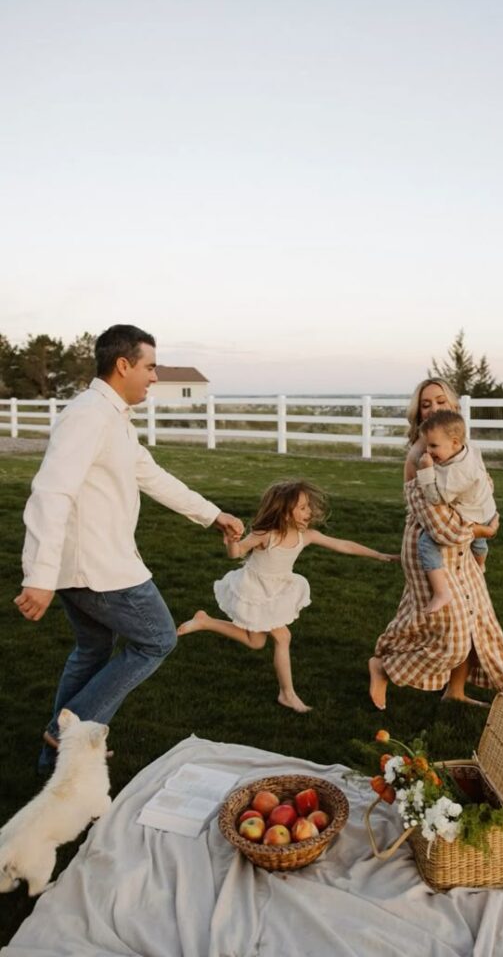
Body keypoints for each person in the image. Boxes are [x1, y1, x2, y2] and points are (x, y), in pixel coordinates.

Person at [14, 324, 244, 774]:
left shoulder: (113, 418)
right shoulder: (88, 416)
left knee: (92, 651)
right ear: (123, 365)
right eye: (150, 366)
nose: (155, 377)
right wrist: (38, 577)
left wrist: (212, 514)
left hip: (90, 565)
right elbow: (51, 492)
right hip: (96, 567)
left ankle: (55, 763)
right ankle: (67, 737)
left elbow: (151, 475)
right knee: (157, 638)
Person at [178, 479, 399, 713]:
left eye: (308, 506)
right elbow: (236, 553)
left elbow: (343, 545)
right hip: (255, 589)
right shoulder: (265, 535)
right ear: (284, 513)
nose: (309, 511)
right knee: (283, 637)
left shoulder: (307, 536)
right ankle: (287, 694)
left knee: (256, 642)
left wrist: (378, 555)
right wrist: (232, 542)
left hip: (277, 590)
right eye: (303, 507)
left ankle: (205, 621)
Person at [368, 378, 503, 710]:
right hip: (429, 544)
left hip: (460, 540)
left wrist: (484, 519)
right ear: (418, 413)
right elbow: (432, 515)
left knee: (474, 620)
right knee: (450, 633)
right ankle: (384, 667)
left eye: (441, 401)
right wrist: (481, 532)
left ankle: (455, 691)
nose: (434, 408)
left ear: (453, 407)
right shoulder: (420, 454)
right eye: (426, 404)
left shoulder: (461, 448)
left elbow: (483, 489)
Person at [416, 410, 498, 613]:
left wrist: (425, 470)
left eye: (433, 446)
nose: (428, 451)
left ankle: (441, 591)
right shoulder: (468, 449)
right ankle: (480, 566)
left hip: (473, 514)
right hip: (487, 508)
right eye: (427, 445)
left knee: (427, 543)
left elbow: (435, 498)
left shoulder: (456, 473)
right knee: (480, 543)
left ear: (454, 442)